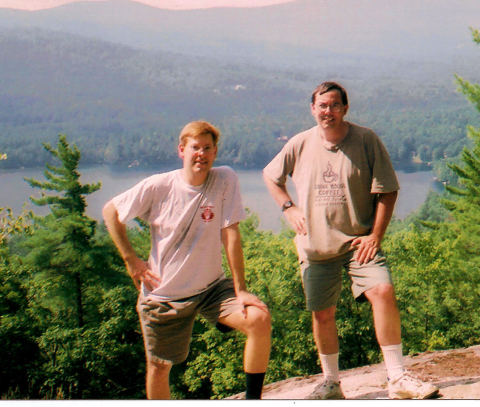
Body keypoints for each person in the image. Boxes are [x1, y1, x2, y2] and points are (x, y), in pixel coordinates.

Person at [263, 82, 439, 400]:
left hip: (359, 242)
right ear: (312, 109)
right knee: (322, 313)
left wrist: (376, 236)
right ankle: (331, 383)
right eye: (322, 105)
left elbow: (387, 190)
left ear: (345, 108)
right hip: (316, 246)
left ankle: (398, 378)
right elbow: (271, 176)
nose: (328, 111)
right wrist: (289, 208)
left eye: (334, 105)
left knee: (383, 292)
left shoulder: (366, 140)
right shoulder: (300, 143)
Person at [103, 120, 271, 399]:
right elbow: (111, 212)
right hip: (165, 295)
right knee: (159, 367)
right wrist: (130, 259)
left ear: (215, 152)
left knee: (259, 320)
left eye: (207, 148)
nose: (201, 154)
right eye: (195, 147)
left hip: (211, 288)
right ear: (181, 150)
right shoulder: (159, 186)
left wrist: (241, 289)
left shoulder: (224, 179)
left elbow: (230, 233)